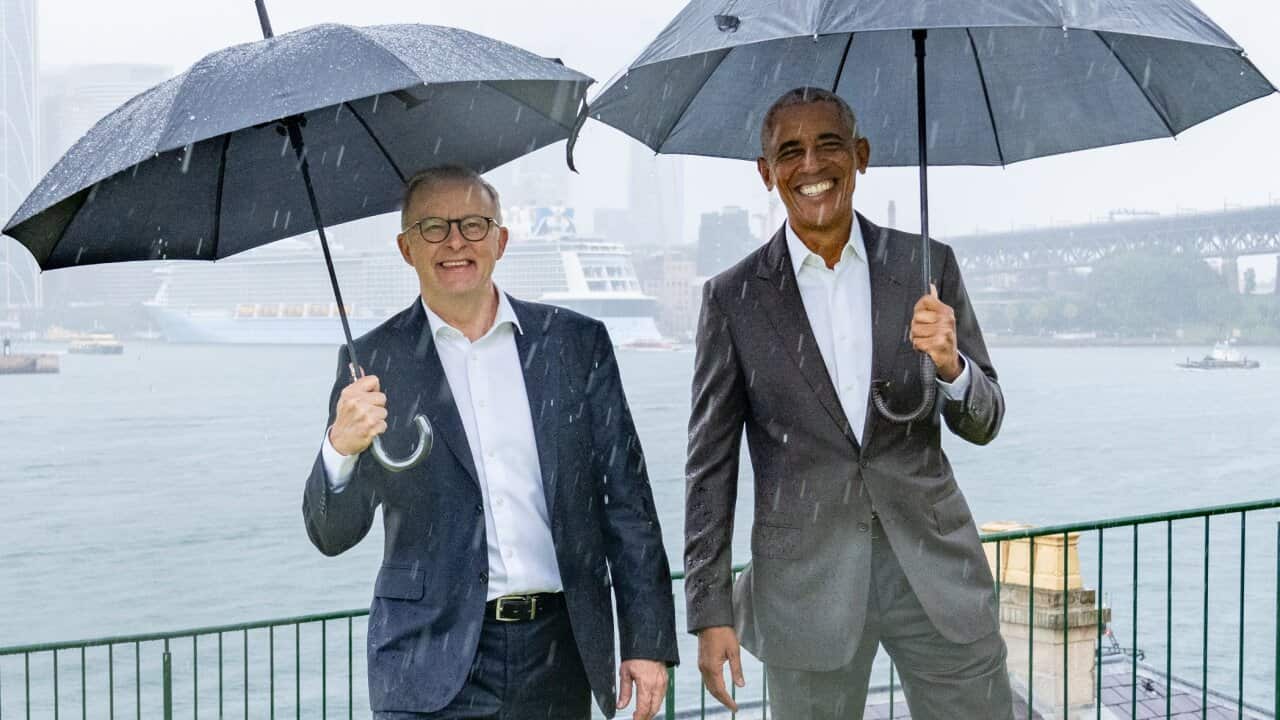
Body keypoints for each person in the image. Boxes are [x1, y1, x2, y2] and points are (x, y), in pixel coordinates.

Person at [684, 88, 1014, 720]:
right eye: (790, 151)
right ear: (767, 173)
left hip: (935, 576)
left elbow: (987, 419)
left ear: (859, 155)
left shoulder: (927, 266)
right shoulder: (732, 300)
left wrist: (952, 366)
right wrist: (709, 610)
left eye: (829, 144)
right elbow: (709, 469)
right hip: (804, 589)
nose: (811, 165)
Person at [302, 165, 677, 719]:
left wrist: (646, 641)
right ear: (406, 249)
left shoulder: (575, 345)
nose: (455, 241)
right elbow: (333, 533)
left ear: (501, 239)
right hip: (427, 658)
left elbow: (628, 505)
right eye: (433, 227)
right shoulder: (373, 365)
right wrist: (340, 447)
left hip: (558, 652)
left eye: (473, 224)